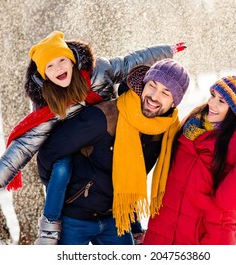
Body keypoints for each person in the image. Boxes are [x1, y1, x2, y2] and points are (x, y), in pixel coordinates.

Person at [0, 31, 186, 244]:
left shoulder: (100, 72)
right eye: (50, 66)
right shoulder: (49, 102)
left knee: (125, 166)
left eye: (61, 60)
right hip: (70, 150)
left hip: (109, 136)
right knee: (63, 168)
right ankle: (49, 228)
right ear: (44, 74)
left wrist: (166, 51)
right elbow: (26, 144)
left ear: (73, 60)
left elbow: (130, 61)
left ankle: (133, 225)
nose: (57, 68)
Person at [36, 59, 191, 245]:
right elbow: (49, 152)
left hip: (116, 219)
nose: (154, 96)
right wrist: (62, 192)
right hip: (75, 219)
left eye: (165, 93)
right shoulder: (103, 117)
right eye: (152, 86)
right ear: (143, 84)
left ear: (175, 101)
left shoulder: (164, 132)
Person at [143, 71, 236, 245]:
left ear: (235, 111)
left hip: (203, 237)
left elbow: (227, 202)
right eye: (213, 96)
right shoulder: (192, 126)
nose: (211, 103)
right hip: (163, 232)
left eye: (221, 101)